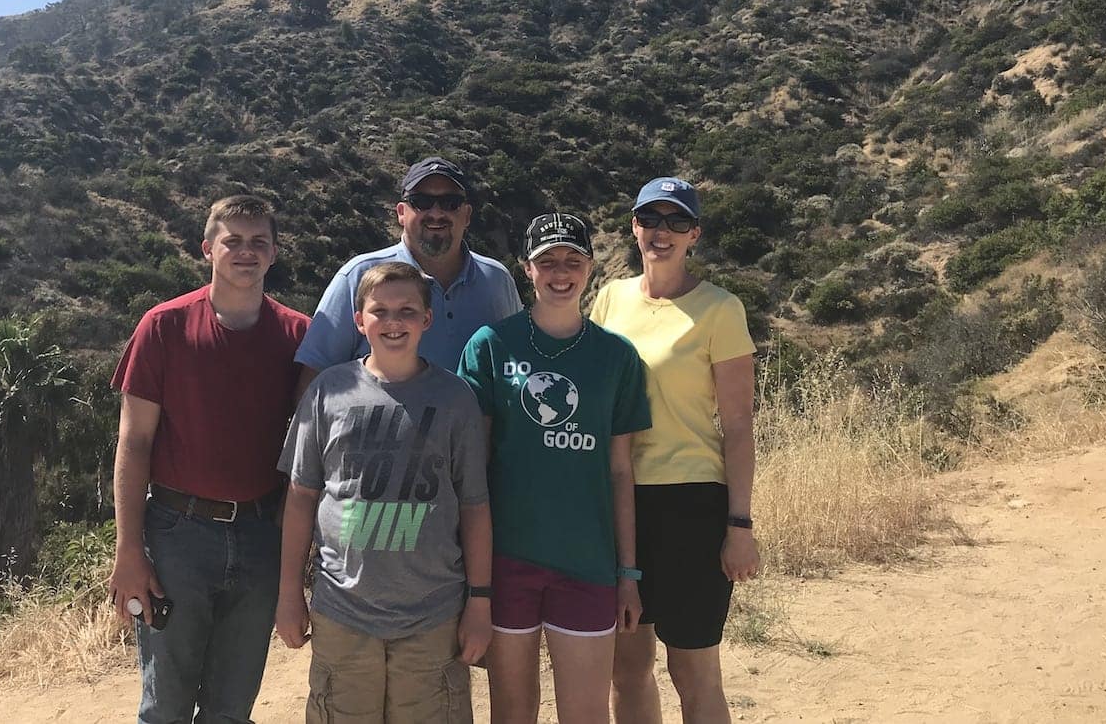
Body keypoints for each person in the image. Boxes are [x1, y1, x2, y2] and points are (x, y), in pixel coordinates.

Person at [108, 193, 310, 724]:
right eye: (233, 241)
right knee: (166, 706)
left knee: (231, 708)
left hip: (262, 536)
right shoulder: (164, 326)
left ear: (274, 253)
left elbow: (316, 446)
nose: (246, 252)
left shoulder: (298, 335)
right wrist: (129, 549)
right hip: (177, 536)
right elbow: (133, 443)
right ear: (208, 249)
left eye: (258, 243)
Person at [277, 260, 493, 724]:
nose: (393, 322)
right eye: (379, 311)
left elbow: (475, 505)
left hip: (433, 615)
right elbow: (300, 497)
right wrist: (288, 592)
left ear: (427, 319)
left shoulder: (455, 398)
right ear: (359, 321)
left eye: (407, 311)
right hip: (344, 610)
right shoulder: (328, 392)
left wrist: (480, 601)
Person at [458, 213, 651, 724]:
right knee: (512, 712)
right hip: (506, 560)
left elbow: (619, 472)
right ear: (526, 268)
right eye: (547, 261)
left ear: (591, 268)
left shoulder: (617, 357)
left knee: (586, 714)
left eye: (573, 260)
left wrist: (628, 574)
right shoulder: (490, 346)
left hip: (587, 562)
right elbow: (471, 469)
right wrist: (471, 575)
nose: (560, 272)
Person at [591, 178, 759, 724]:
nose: (661, 232)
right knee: (627, 667)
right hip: (620, 502)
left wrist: (740, 524)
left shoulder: (720, 309)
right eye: (650, 219)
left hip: (692, 504)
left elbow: (736, 426)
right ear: (634, 226)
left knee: (693, 672)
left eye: (676, 222)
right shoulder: (610, 298)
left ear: (695, 235)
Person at [294, 156, 521, 388]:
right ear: (401, 212)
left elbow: (517, 363)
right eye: (421, 201)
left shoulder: (497, 280)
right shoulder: (357, 276)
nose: (436, 212)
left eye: (450, 202)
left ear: (467, 215)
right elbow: (314, 380)